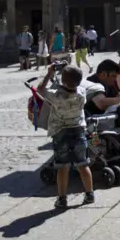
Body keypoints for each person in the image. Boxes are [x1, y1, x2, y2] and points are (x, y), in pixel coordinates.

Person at [36, 63, 96, 210]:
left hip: (60, 132)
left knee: (62, 168)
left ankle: (62, 199)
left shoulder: (56, 96)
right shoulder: (82, 93)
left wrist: (49, 74)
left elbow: (40, 89)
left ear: (62, 80)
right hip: (78, 132)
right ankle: (89, 194)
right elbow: (73, 84)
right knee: (83, 164)